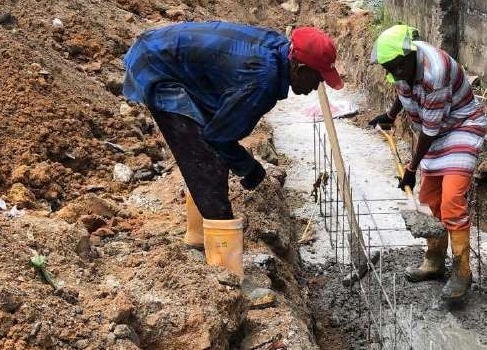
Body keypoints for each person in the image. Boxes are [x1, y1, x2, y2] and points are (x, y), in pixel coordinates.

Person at [123, 22, 344, 279]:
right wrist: (248, 167)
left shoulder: (278, 50)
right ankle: (226, 274)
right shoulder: (263, 82)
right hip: (156, 67)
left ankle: (198, 236)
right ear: (299, 67)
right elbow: (219, 137)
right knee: (206, 162)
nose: (316, 86)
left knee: (207, 157)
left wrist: (242, 163)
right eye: (317, 77)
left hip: (169, 57)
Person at [368, 24, 487, 303]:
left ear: (410, 56)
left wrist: (410, 170)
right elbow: (402, 89)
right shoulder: (401, 66)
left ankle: (462, 271)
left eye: (397, 67)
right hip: (434, 130)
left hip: (460, 126)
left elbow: (430, 131)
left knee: (452, 199)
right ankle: (434, 261)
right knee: (430, 197)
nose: (394, 73)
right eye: (389, 69)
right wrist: (390, 114)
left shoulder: (435, 73)